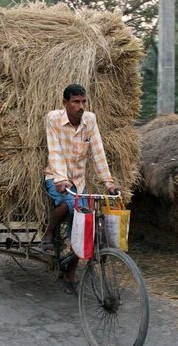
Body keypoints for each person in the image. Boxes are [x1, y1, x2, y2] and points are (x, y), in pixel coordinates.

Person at [43, 83, 120, 294]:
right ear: (65, 103)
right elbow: (55, 150)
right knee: (68, 205)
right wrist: (60, 178)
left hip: (79, 181)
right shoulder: (53, 119)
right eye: (76, 102)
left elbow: (98, 152)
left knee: (88, 229)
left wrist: (109, 182)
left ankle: (70, 272)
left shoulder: (90, 120)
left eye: (83, 101)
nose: (81, 106)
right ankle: (48, 234)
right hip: (56, 176)